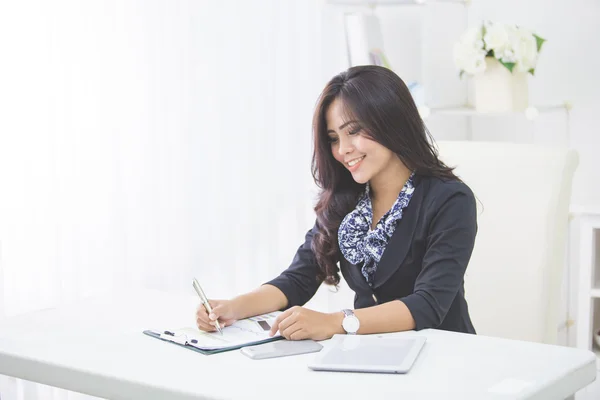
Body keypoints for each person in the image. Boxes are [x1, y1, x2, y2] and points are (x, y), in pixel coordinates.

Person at [196, 65, 478, 341]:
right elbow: (298, 278)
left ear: (392, 121)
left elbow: (429, 303)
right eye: (333, 138)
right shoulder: (345, 199)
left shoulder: (450, 199)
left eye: (353, 131)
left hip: (444, 355)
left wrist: (335, 322)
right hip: (372, 357)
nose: (342, 150)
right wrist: (232, 308)